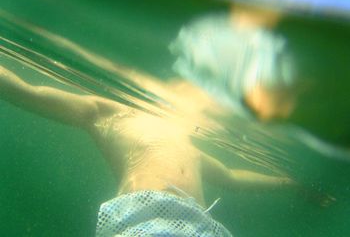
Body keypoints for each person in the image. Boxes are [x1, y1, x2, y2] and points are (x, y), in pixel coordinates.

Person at [0, 61, 297, 236]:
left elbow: (232, 176)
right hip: (144, 220)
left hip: (195, 226)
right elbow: (27, 93)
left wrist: (287, 183)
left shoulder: (188, 146)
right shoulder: (112, 112)